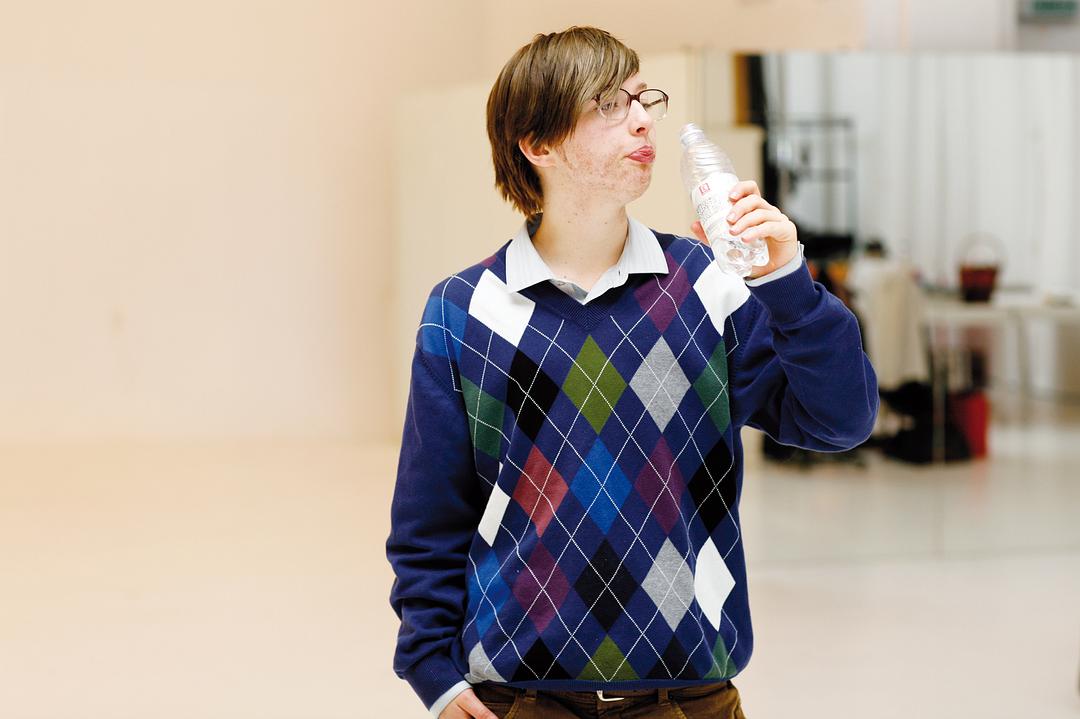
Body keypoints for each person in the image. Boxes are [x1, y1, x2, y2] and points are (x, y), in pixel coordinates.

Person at [386, 26, 877, 719]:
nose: (643, 119)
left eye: (644, 99)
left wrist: (788, 282)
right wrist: (431, 670)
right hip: (518, 700)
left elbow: (840, 421)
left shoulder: (707, 285)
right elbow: (429, 517)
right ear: (538, 143)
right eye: (610, 104)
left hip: (689, 697)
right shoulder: (465, 310)